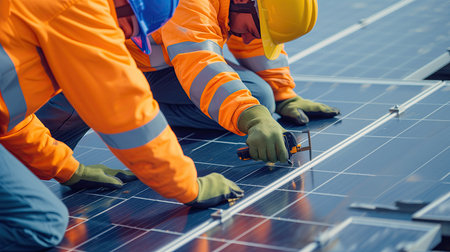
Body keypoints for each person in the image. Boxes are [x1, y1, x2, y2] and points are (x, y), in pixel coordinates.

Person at [0, 0, 242, 249]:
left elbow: (10, 114)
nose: (127, 36)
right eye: (133, 28)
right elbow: (126, 111)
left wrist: (66, 167)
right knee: (38, 223)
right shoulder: (80, 8)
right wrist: (189, 186)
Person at [37, 0, 340, 166]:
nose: (249, 37)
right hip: (96, 62)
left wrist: (284, 95)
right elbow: (200, 63)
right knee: (37, 146)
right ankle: (115, 109)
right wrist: (253, 117)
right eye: (254, 28)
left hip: (155, 68)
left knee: (259, 94)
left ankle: (140, 106)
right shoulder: (191, 5)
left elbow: (255, 44)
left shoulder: (246, 10)